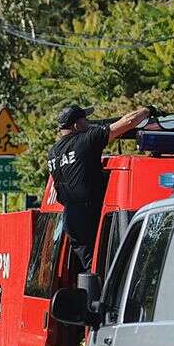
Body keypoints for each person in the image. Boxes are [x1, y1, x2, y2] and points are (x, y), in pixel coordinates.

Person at [47, 103, 152, 272]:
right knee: (107, 268)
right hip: (90, 214)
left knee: (91, 268)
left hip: (70, 217)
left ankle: (92, 294)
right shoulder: (86, 140)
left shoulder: (53, 152)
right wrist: (148, 110)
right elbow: (128, 121)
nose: (89, 123)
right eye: (85, 120)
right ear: (76, 125)